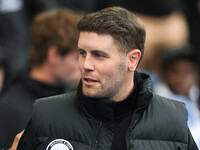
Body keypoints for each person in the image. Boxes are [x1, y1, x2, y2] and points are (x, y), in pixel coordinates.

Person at [17, 7, 198, 150]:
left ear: (132, 60)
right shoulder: (46, 114)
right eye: (82, 53)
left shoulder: (173, 120)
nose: (85, 64)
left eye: (99, 55)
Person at [0, 9, 81, 149]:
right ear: (54, 54)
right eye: (77, 57)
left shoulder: (72, 97)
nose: (84, 66)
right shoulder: (11, 110)